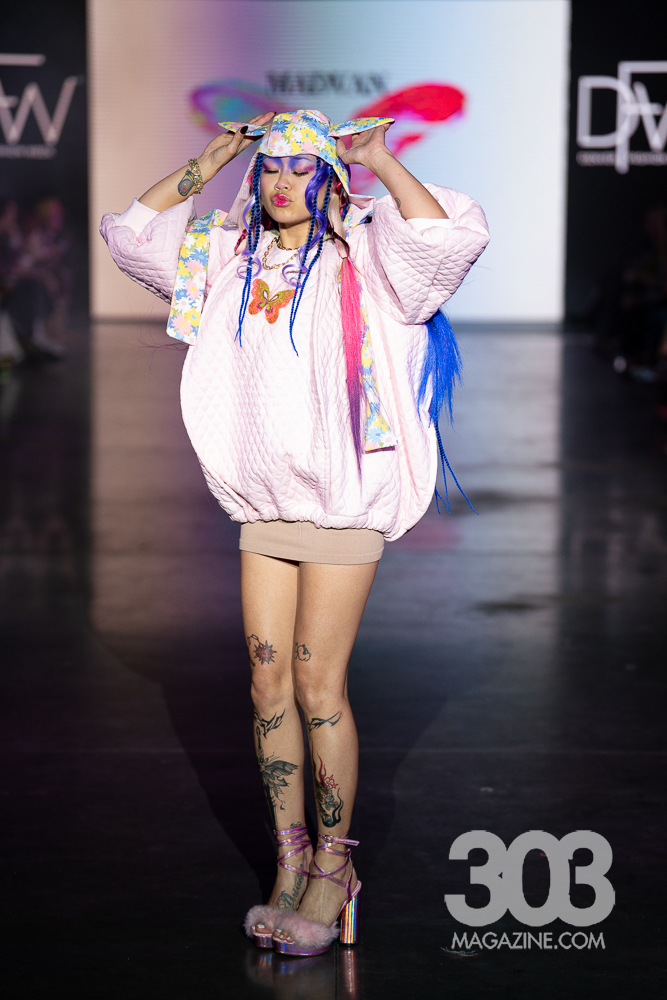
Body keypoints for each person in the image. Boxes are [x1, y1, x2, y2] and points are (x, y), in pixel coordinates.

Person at [100, 109, 489, 956]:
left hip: (341, 504)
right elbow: (131, 237)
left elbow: (446, 239)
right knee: (266, 684)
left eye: (301, 169)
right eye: (270, 167)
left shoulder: (368, 253)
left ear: (329, 181)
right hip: (265, 505)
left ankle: (334, 871)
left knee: (317, 686)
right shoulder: (227, 258)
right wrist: (204, 164)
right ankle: (289, 860)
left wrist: (379, 159)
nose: (281, 182)